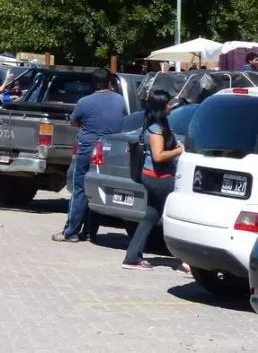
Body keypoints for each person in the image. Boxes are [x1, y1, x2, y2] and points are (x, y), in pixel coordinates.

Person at [53, 68, 127, 242]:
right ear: (110, 83)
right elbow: (123, 120)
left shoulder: (84, 102)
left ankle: (70, 232)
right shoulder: (120, 100)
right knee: (97, 189)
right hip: (110, 150)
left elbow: (74, 122)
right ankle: (89, 231)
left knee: (79, 190)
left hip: (87, 149)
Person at [122, 91, 184, 270]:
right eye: (169, 104)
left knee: (151, 216)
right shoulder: (155, 129)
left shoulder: (159, 124)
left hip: (156, 176)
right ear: (161, 106)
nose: (171, 106)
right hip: (159, 178)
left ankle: (132, 257)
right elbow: (158, 156)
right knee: (179, 216)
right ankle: (188, 261)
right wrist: (179, 150)